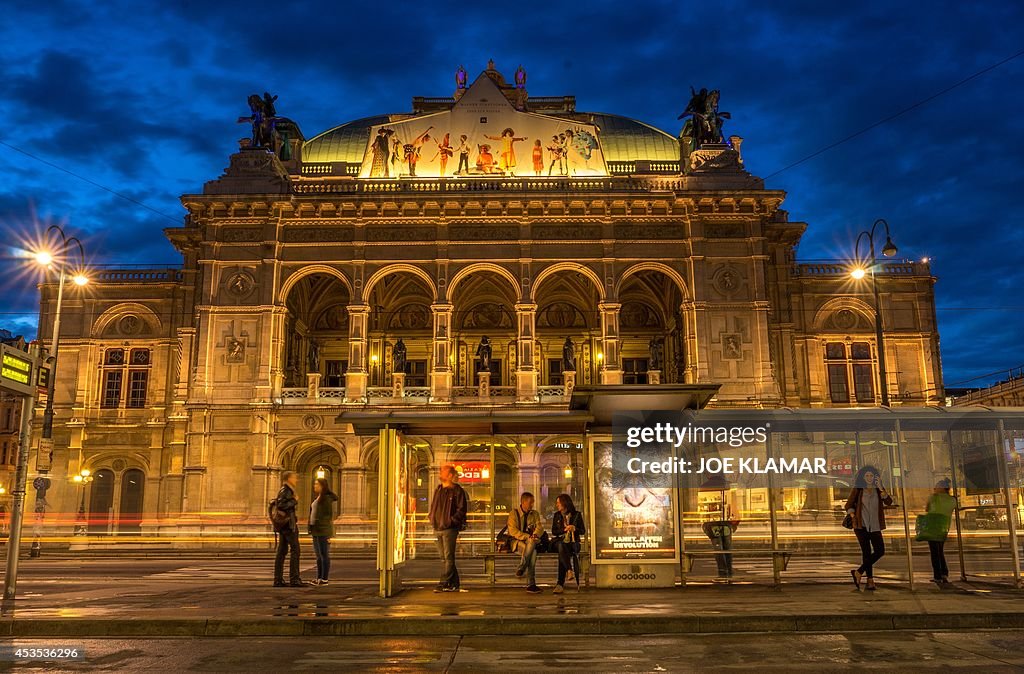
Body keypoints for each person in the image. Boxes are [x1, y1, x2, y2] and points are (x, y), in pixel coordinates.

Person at [846, 465, 894, 591]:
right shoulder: (858, 489)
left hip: (875, 525)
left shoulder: (878, 490)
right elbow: (849, 504)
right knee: (866, 552)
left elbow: (889, 501)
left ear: (875, 477)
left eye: (871, 476)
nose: (869, 478)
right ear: (863, 477)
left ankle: (859, 572)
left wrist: (880, 488)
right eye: (866, 475)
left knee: (880, 550)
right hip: (861, 525)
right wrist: (852, 515)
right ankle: (870, 580)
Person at [428, 464, 468, 592]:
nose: (441, 473)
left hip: (449, 529)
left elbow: (462, 509)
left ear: (450, 475)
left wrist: (451, 521)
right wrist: (432, 519)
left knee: (448, 557)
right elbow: (434, 506)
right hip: (438, 527)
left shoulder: (457, 491)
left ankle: (443, 583)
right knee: (445, 557)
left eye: (443, 472)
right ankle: (454, 583)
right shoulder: (439, 489)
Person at [273, 471, 305, 587]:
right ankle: (294, 579)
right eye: (294, 478)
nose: (296, 480)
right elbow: (281, 505)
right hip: (288, 525)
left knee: (282, 552)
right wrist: (294, 500)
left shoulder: (284, 490)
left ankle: (278, 579)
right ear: (289, 478)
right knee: (295, 551)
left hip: (284, 525)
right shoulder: (286, 490)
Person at [507, 492, 544, 593]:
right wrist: (528, 536)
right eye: (530, 502)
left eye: (533, 502)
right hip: (516, 542)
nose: (532, 504)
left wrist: (534, 535)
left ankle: (522, 567)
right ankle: (531, 584)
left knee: (532, 545)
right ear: (523, 502)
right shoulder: (513, 513)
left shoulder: (534, 514)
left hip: (530, 541)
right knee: (533, 553)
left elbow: (539, 527)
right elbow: (513, 531)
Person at [550, 493, 585, 594]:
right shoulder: (557, 515)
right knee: (561, 546)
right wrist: (564, 529)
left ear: (564, 503)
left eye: (558, 503)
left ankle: (560, 584)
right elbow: (554, 531)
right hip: (559, 542)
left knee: (562, 551)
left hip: (573, 543)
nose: (557, 505)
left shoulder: (577, 515)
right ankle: (569, 570)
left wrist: (575, 529)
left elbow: (583, 531)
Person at [924, 478, 957, 584]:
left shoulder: (933, 498)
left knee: (935, 552)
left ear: (943, 488)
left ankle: (937, 576)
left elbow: (927, 509)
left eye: (937, 486)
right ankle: (944, 573)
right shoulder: (952, 499)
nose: (935, 488)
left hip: (933, 527)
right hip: (944, 527)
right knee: (940, 551)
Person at [308, 477, 338, 586]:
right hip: (316, 530)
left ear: (322, 486)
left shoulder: (326, 499)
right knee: (319, 556)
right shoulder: (319, 498)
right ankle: (319, 578)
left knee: (324, 555)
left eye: (316, 484)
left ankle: (324, 578)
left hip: (322, 530)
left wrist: (322, 526)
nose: (314, 486)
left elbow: (327, 516)